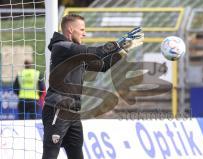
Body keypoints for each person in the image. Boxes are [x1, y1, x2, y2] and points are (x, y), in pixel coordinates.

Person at [42, 14, 144, 159]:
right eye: (82, 29)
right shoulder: (62, 47)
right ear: (70, 30)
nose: (85, 33)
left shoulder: (75, 52)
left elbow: (102, 66)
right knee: (50, 155)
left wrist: (122, 51)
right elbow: (95, 53)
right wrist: (117, 43)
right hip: (57, 109)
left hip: (73, 113)